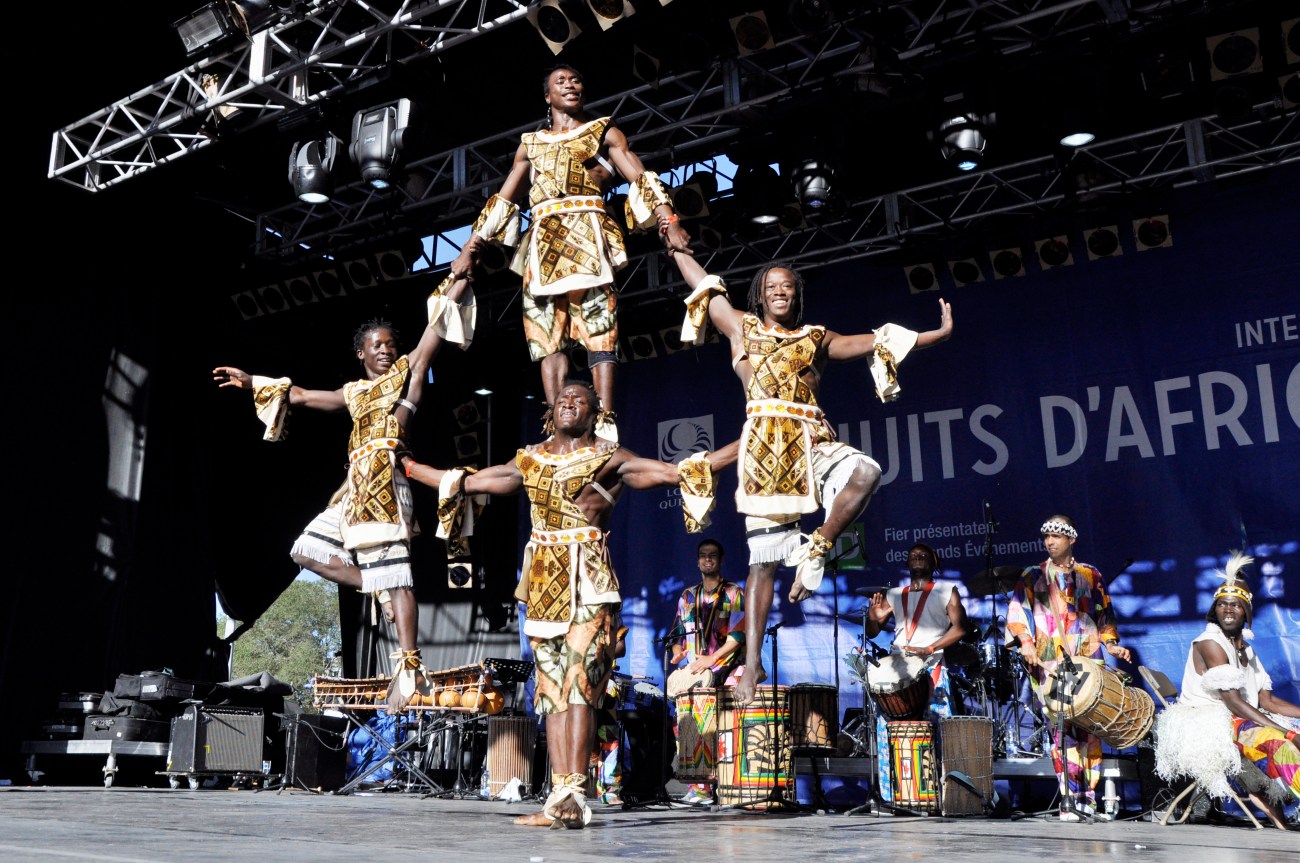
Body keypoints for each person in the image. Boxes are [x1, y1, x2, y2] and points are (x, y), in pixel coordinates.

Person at [401, 380, 737, 829]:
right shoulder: (531, 459)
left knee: (581, 686)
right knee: (551, 694)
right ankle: (557, 798)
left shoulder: (610, 458)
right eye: (562, 400)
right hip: (543, 587)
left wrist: (746, 442)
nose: (569, 404)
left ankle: (576, 795)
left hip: (590, 585)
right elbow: (474, 481)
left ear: (596, 413)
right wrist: (410, 467)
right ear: (550, 411)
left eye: (580, 400)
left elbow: (675, 472)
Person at [667, 249, 954, 705]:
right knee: (762, 564)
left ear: (796, 295)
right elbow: (704, 283)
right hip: (766, 453)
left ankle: (816, 548)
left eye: (787, 286)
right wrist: (671, 235)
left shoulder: (816, 337)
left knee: (866, 471)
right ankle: (753, 663)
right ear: (760, 295)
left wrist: (937, 335)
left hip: (812, 439)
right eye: (771, 286)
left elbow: (873, 341)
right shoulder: (742, 327)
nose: (780, 291)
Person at [212, 260, 478, 714]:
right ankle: (373, 587)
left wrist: (460, 278)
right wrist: (252, 381)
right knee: (306, 550)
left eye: (390, 344)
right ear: (361, 353)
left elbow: (434, 329)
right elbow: (301, 396)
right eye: (377, 345)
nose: (385, 350)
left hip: (387, 480)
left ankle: (408, 670)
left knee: (398, 578)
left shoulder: (407, 373)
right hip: (354, 486)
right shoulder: (353, 391)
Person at [450, 64, 692, 437]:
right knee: (547, 337)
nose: (570, 85)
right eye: (560, 81)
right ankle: (555, 424)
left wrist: (668, 220)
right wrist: (470, 248)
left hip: (589, 239)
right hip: (543, 245)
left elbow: (639, 176)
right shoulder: (530, 144)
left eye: (576, 79)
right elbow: (504, 199)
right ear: (547, 95)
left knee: (600, 330)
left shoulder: (604, 132)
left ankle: (605, 421)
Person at [1155, 552, 1299, 829]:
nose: (1228, 610)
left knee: (1284, 733)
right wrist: (1288, 733)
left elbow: (1267, 701)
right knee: (1277, 741)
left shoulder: (1247, 650)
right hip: (1210, 721)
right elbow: (1232, 701)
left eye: (1235, 605)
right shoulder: (1210, 643)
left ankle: (1277, 809)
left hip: (1238, 717)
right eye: (1222, 604)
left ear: (1247, 612)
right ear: (1215, 610)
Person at [1005, 513, 1133, 821]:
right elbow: (1017, 613)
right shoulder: (1032, 575)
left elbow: (1104, 614)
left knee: (1090, 730)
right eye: (1046, 536)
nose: (1050, 542)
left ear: (1071, 539)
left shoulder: (1091, 574)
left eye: (1056, 536)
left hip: (1088, 660)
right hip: (1050, 662)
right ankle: (1070, 798)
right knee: (1061, 732)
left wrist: (1111, 644)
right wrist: (1026, 642)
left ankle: (1088, 797)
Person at [668, 537, 745, 805]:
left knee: (725, 727)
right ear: (698, 561)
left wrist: (711, 658)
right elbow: (678, 634)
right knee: (688, 724)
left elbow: (738, 636)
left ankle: (727, 786)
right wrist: (678, 652)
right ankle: (699, 787)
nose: (707, 559)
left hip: (728, 668)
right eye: (703, 555)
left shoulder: (734, 593)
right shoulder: (688, 596)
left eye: (712, 555)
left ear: (720, 560)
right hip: (697, 671)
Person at [863, 543, 969, 723]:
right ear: (907, 564)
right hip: (898, 668)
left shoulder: (946, 591)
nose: (917, 557)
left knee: (935, 727)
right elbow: (871, 633)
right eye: (913, 556)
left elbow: (961, 628)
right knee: (895, 729)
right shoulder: (893, 594)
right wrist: (872, 618)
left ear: (934, 563)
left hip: (931, 663)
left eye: (923, 555)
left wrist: (930, 648)